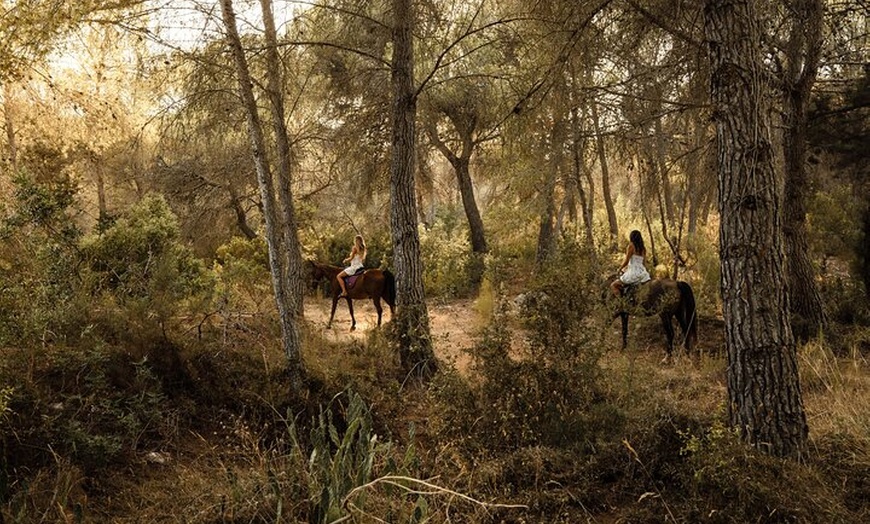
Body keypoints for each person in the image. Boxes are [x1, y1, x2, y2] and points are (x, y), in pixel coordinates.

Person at [611, 230, 651, 296]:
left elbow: (626, 261)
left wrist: (619, 269)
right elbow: (644, 263)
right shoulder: (643, 248)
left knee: (613, 285)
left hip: (633, 273)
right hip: (642, 272)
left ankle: (620, 301)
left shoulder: (631, 246)